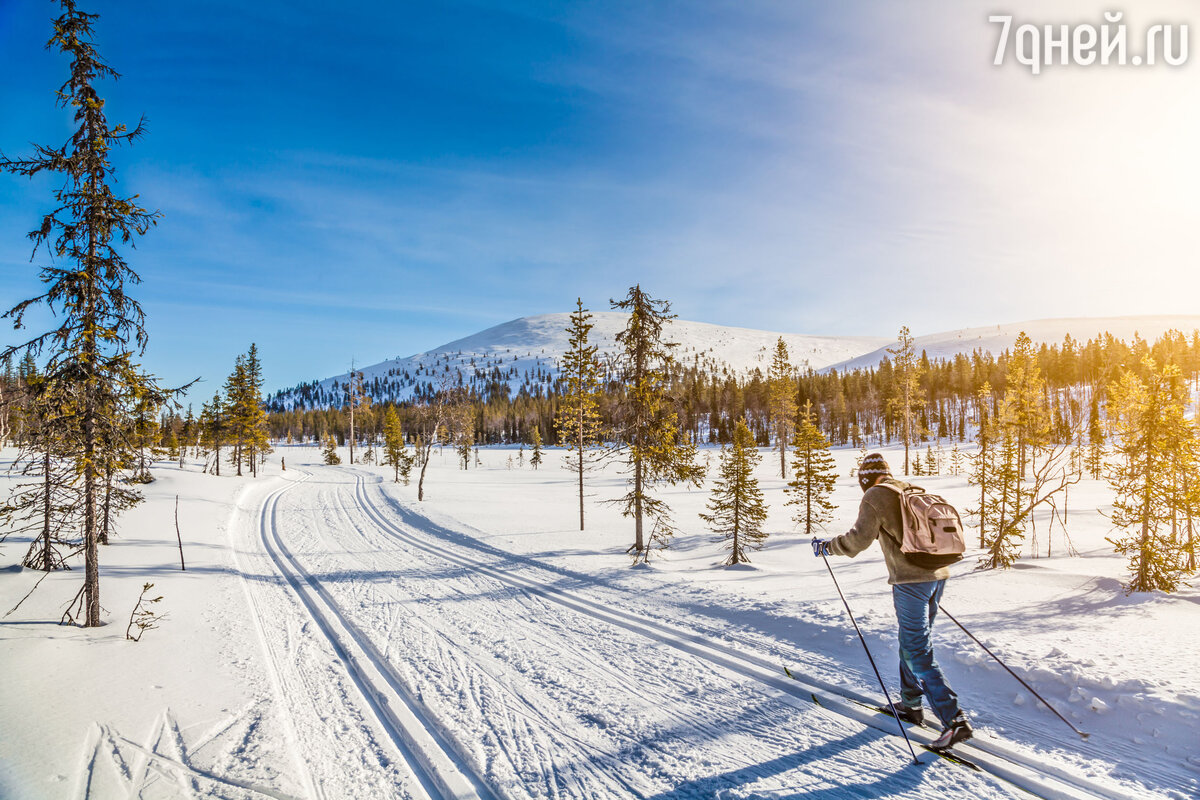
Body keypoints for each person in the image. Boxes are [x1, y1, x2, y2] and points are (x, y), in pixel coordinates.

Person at [812, 452, 972, 751]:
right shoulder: (908, 488)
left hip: (911, 582)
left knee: (915, 649)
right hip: (937, 576)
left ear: (864, 479)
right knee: (911, 643)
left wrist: (827, 548)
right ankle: (911, 704)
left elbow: (858, 540)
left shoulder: (875, 495)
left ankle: (954, 721)